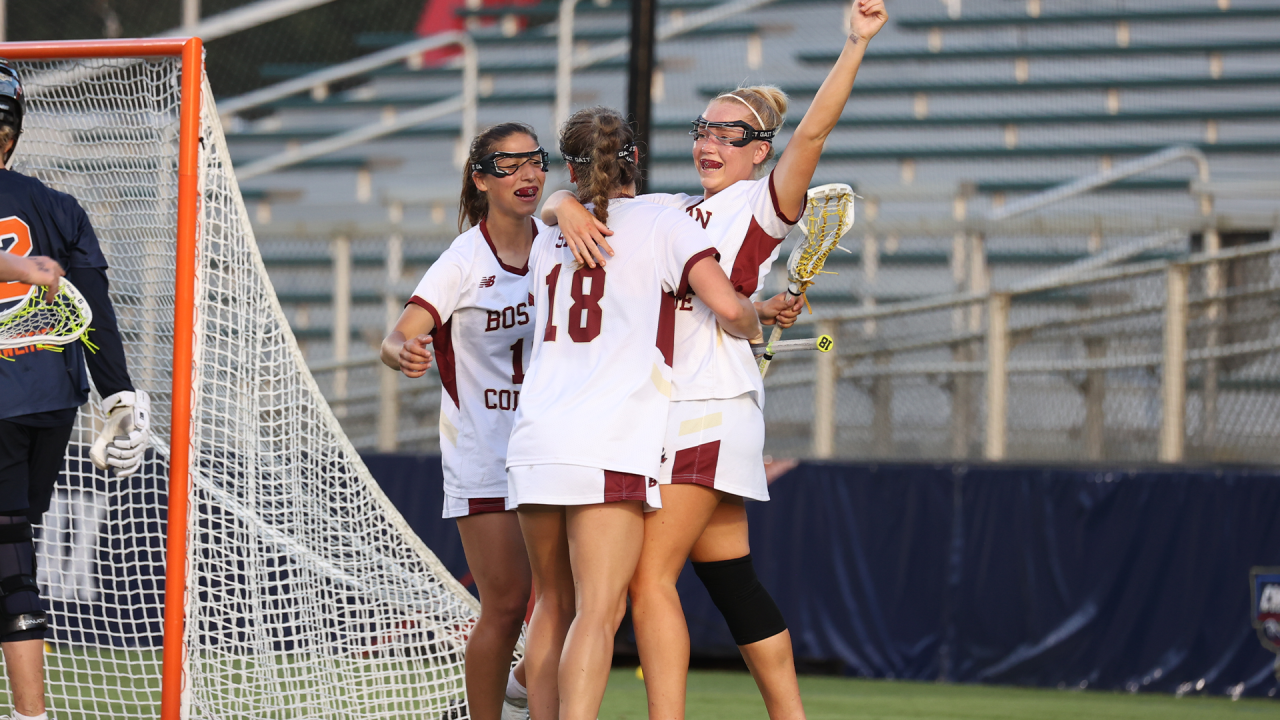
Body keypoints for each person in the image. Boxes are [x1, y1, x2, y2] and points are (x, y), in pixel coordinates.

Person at [541, 2, 887, 717]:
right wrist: (559, 204)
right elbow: (592, 209)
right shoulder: (674, 209)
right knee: (731, 580)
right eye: (704, 129)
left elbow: (815, 130)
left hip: (704, 409)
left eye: (732, 134)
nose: (712, 142)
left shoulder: (762, 204)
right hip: (692, 407)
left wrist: (853, 44)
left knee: (646, 583)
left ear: (761, 150)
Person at [505, 106, 762, 720]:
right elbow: (728, 308)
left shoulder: (547, 235)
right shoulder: (667, 222)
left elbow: (553, 213)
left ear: (568, 167)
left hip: (535, 439)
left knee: (552, 607)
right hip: (608, 442)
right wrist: (756, 321)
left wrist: (560, 201)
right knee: (597, 613)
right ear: (636, 160)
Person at [380, 122, 547, 720]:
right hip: (485, 452)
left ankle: (526, 687)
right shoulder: (464, 259)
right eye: (509, 165)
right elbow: (397, 336)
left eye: (536, 161)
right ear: (480, 180)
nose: (528, 175)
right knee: (505, 607)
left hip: (556, 448)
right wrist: (405, 351)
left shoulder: (560, 239)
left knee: (586, 595)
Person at [0, 58, 150, 720]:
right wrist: (117, 396)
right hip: (47, 402)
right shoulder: (57, 208)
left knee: (8, 569)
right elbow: (95, 316)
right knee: (12, 559)